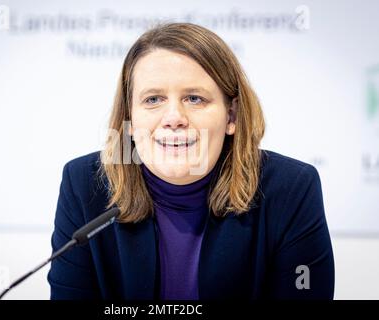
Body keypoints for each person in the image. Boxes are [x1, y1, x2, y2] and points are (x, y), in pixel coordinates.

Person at [47, 22, 334, 300]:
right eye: (153, 99)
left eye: (195, 99)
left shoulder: (291, 188)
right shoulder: (84, 185)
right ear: (130, 118)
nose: (174, 118)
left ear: (231, 116)